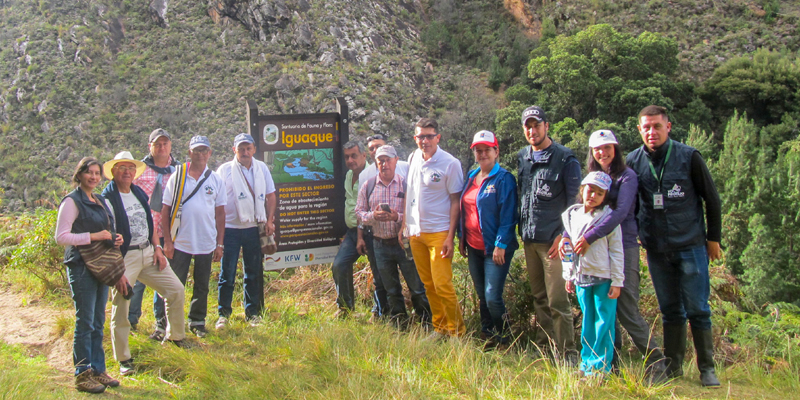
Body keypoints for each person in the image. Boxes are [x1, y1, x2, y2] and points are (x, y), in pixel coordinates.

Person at [626, 105, 722, 387]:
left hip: (690, 244)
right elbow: (629, 205)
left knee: (698, 307)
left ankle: (707, 368)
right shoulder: (633, 161)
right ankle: (674, 365)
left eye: (657, 126)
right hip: (656, 248)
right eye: (646, 127)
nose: (651, 132)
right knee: (670, 310)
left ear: (668, 127)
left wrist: (713, 239)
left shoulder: (689, 157)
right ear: (639, 130)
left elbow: (712, 199)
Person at [564, 129, 668, 383]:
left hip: (624, 246)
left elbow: (620, 213)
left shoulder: (627, 177)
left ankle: (656, 363)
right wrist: (567, 237)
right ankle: (609, 365)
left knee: (626, 309)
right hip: (593, 253)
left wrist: (589, 237)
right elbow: (576, 216)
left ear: (616, 149)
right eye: (597, 149)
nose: (603, 152)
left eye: (607, 147)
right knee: (603, 313)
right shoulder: (593, 179)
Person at [101, 151, 187, 376]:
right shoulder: (107, 199)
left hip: (148, 252)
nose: (127, 172)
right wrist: (116, 266)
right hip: (124, 257)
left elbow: (150, 225)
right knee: (121, 305)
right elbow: (106, 236)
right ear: (113, 172)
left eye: (130, 168)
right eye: (122, 168)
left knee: (176, 290)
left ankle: (175, 337)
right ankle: (123, 358)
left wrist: (157, 248)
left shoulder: (138, 193)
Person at [516, 106, 581, 362]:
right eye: (528, 126)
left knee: (558, 301)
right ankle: (544, 348)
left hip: (554, 242)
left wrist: (564, 235)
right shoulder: (523, 157)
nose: (532, 131)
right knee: (539, 298)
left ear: (547, 126)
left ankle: (568, 353)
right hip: (530, 240)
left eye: (537, 125)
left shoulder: (566, 158)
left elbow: (575, 203)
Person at [55, 157, 123, 393]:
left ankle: (98, 370)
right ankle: (82, 374)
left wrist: (114, 237)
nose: (93, 177)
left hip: (100, 265)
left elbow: (107, 230)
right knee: (85, 322)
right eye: (89, 173)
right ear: (80, 175)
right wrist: (94, 236)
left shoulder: (101, 200)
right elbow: (61, 237)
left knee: (97, 321)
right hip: (81, 266)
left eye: (97, 173)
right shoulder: (72, 202)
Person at [355, 145, 432, 329]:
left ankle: (427, 323)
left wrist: (397, 217)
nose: (384, 164)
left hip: (403, 244)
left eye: (388, 160)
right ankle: (400, 325)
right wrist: (373, 216)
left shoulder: (407, 185)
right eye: (380, 160)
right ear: (376, 163)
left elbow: (417, 213)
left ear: (396, 160)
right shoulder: (369, 185)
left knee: (417, 288)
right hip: (380, 244)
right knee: (391, 289)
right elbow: (358, 212)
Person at [403, 117, 465, 339]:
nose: (425, 140)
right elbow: (410, 193)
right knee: (428, 285)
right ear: (415, 138)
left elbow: (456, 201)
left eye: (429, 136)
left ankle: (457, 332)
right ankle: (440, 328)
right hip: (416, 233)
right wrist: (406, 226)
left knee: (442, 284)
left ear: (438, 137)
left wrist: (451, 237)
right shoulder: (413, 158)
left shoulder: (450, 163)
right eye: (421, 136)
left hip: (439, 233)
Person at [458, 130, 518, 350]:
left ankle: (504, 336)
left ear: (496, 151)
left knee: (493, 295)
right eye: (478, 150)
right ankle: (488, 332)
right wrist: (461, 239)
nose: (482, 154)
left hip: (495, 248)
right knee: (482, 293)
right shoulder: (472, 176)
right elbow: (465, 210)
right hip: (473, 246)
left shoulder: (504, 179)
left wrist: (501, 244)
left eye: (487, 150)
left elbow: (509, 215)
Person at [161, 135, 226, 338]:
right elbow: (165, 210)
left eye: (204, 150)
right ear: (189, 153)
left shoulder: (215, 180)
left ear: (210, 153)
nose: (200, 154)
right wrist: (168, 242)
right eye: (196, 150)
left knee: (202, 285)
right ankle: (171, 324)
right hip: (180, 242)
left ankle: (197, 322)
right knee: (174, 285)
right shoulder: (178, 177)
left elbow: (220, 213)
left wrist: (220, 244)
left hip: (206, 242)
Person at [560, 171, 624, 378]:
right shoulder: (573, 215)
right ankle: (586, 363)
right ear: (582, 189)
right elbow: (568, 250)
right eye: (590, 190)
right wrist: (568, 275)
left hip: (604, 277)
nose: (593, 196)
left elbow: (616, 251)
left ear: (605, 196)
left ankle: (600, 368)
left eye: (599, 193)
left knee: (603, 322)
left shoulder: (609, 218)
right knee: (588, 320)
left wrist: (617, 280)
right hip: (581, 276)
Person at [215, 133, 276, 328]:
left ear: (254, 149)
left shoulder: (261, 168)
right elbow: (216, 201)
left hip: (253, 228)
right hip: (230, 229)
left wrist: (269, 219)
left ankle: (252, 313)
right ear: (234, 150)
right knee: (228, 273)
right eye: (241, 148)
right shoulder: (224, 170)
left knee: (253, 272)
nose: (245, 152)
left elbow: (271, 196)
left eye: (248, 148)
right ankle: (223, 314)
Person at [129, 128, 180, 340]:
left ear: (170, 146)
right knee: (138, 280)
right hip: (143, 233)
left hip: (168, 234)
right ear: (150, 147)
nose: (161, 147)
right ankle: (131, 321)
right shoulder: (139, 170)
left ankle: (161, 324)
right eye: (157, 144)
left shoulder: (178, 170)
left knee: (162, 277)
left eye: (165, 144)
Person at [332, 140, 388, 316]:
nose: (350, 160)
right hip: (352, 232)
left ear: (364, 156)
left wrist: (362, 235)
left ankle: (379, 312)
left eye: (354, 156)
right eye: (347, 157)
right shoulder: (348, 176)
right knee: (339, 265)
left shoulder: (372, 176)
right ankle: (345, 308)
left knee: (378, 273)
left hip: (371, 231)